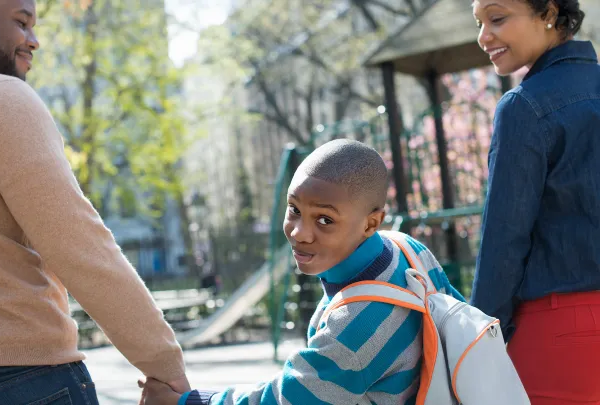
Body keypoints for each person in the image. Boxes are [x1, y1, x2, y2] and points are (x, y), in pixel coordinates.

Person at [0, 0, 190, 404]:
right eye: (22, 23)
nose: (34, 41)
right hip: (24, 381)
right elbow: (79, 246)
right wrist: (167, 369)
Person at [140, 139, 465, 405]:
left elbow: (285, 400)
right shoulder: (408, 249)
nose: (299, 232)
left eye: (325, 219)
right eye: (294, 209)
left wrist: (184, 401)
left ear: (371, 223)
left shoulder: (358, 322)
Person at [470, 0, 599, 403]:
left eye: (497, 18)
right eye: (479, 23)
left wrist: (476, 343)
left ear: (548, 13)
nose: (483, 36)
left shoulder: (524, 106)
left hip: (561, 337)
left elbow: (504, 243)